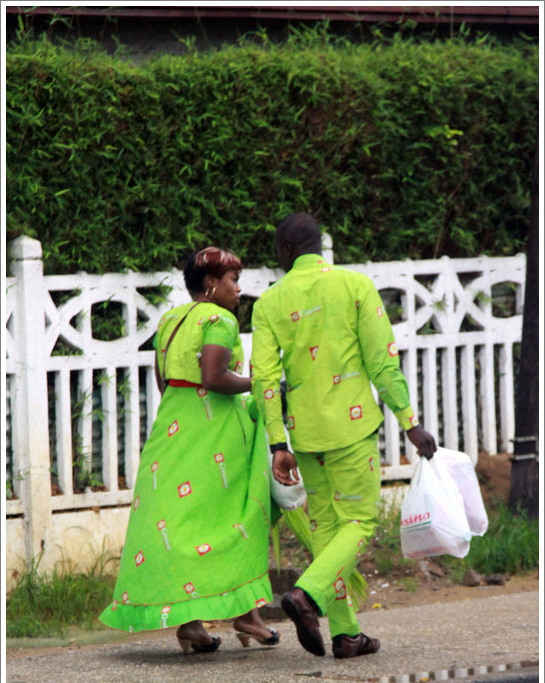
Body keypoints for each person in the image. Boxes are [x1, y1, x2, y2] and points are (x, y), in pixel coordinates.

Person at [251, 214, 437, 659]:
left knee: (328, 532)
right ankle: (306, 596)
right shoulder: (355, 287)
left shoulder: (269, 304)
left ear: (285, 251)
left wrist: (278, 443)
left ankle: (348, 634)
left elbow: (264, 379)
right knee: (360, 523)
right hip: (352, 431)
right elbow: (382, 362)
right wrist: (410, 422)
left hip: (305, 436)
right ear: (320, 245)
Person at [100, 246, 280, 653]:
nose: (238, 290)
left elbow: (165, 381)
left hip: (172, 432)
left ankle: (191, 625)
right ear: (212, 284)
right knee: (239, 516)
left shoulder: (169, 320)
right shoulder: (219, 318)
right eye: (234, 280)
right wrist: (259, 382)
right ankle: (248, 616)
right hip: (214, 437)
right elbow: (214, 377)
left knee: (180, 527)